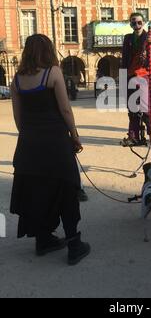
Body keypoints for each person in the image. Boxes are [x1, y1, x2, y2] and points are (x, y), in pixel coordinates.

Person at [10, 34, 90, 266]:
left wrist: (31, 136)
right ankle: (74, 244)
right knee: (65, 190)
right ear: (48, 50)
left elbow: (18, 119)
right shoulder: (52, 73)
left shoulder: (17, 80)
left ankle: (43, 240)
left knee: (37, 193)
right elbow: (65, 110)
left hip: (28, 146)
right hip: (55, 143)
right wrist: (74, 136)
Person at [121, 13, 151, 149]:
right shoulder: (128, 38)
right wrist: (123, 78)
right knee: (132, 108)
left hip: (145, 76)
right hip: (131, 75)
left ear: (143, 23)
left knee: (146, 109)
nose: (137, 25)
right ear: (130, 24)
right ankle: (134, 136)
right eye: (133, 23)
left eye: (139, 22)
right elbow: (124, 59)